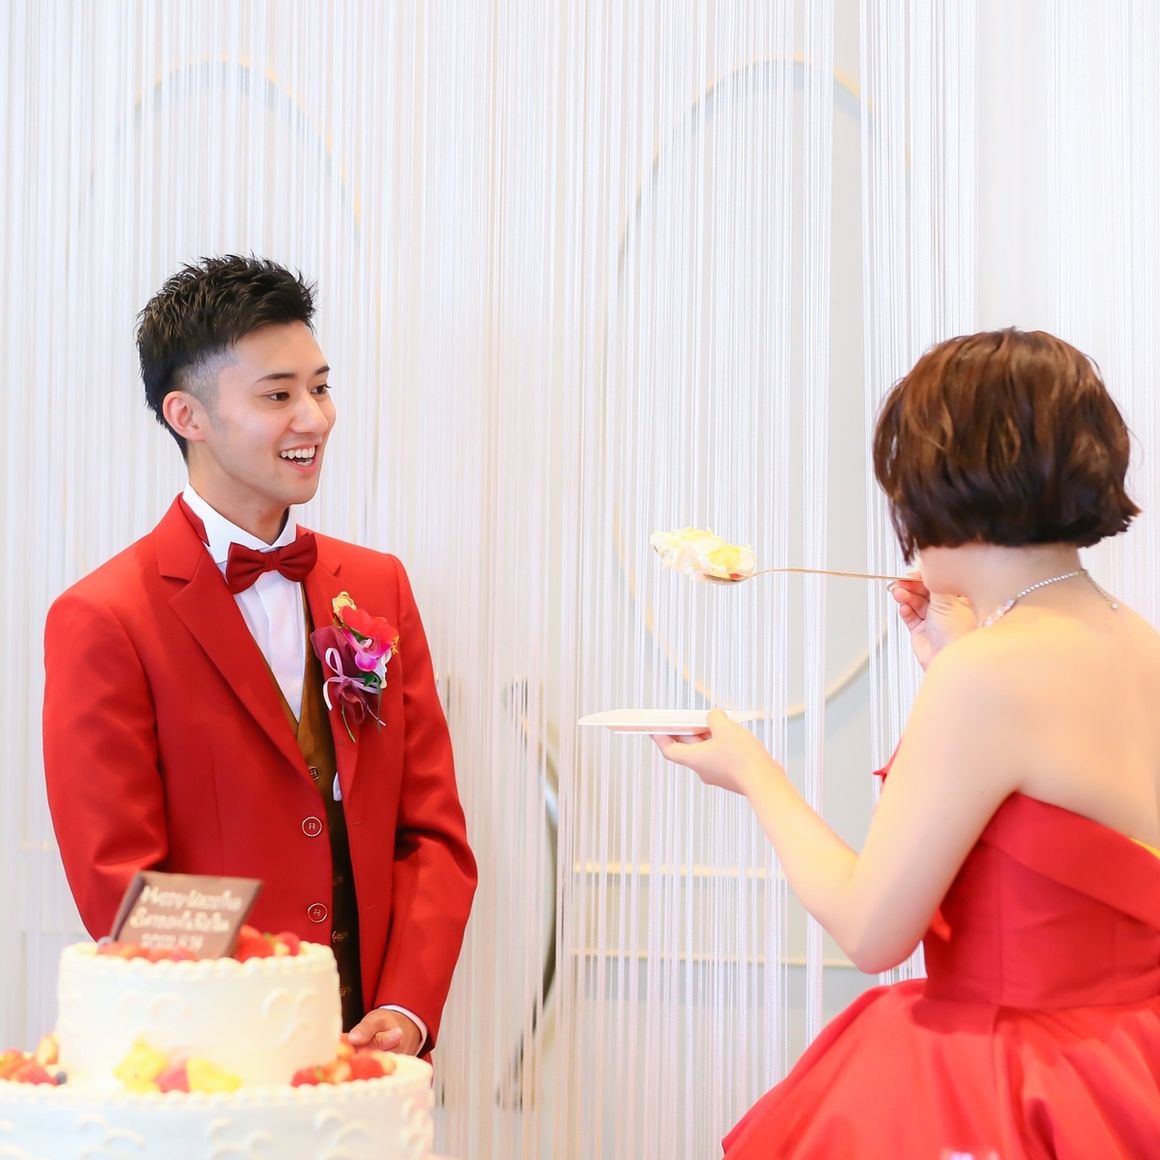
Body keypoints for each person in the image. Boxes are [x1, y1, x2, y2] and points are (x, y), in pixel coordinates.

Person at [657, 329, 1160, 1157]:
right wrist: (955, 655)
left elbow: (871, 931)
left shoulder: (988, 673)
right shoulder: (1135, 639)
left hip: (1013, 1078)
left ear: (938, 478)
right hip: (1125, 1068)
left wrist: (753, 772)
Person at [43, 255, 477, 1059]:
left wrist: (406, 1008)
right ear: (188, 415)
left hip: (378, 1053)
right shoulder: (104, 617)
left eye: (321, 386)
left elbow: (431, 830)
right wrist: (259, 1031)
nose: (315, 418)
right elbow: (123, 881)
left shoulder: (377, 585)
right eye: (278, 396)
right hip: (219, 1054)